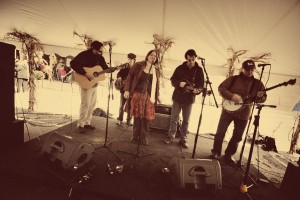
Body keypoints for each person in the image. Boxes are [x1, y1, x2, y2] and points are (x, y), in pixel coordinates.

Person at [210, 60, 267, 165]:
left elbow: (262, 99)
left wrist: (260, 97)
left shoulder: (258, 84)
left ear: (254, 69)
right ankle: (216, 152)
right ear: (242, 69)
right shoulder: (233, 79)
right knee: (220, 132)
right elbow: (221, 88)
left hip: (244, 113)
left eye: (251, 70)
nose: (249, 72)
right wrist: (231, 96)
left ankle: (229, 154)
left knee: (237, 136)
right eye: (247, 70)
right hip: (228, 111)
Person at [164, 49, 204, 148]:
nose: (191, 62)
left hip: (189, 99)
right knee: (174, 118)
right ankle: (171, 135)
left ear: (195, 58)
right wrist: (179, 83)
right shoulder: (180, 68)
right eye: (189, 60)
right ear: (186, 59)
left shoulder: (199, 70)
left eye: (193, 59)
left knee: (186, 120)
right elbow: (172, 80)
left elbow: (201, 85)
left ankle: (183, 139)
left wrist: (198, 90)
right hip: (177, 97)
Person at [70, 41, 109, 133]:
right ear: (93, 48)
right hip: (85, 83)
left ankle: (87, 122)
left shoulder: (100, 57)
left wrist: (112, 69)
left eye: (101, 51)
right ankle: (80, 124)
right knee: (85, 104)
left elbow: (105, 68)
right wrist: (85, 73)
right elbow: (73, 63)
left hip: (94, 84)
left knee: (92, 105)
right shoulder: (84, 55)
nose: (100, 53)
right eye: (99, 51)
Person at [124, 50, 160, 146]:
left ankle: (143, 137)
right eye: (151, 55)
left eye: (155, 56)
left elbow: (156, 85)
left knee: (145, 118)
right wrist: (127, 90)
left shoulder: (156, 69)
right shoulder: (138, 65)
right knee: (137, 117)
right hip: (137, 94)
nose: (153, 57)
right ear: (147, 55)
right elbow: (129, 77)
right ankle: (135, 136)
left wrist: (157, 96)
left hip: (149, 96)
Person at [116, 53, 136, 126]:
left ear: (134, 60)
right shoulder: (125, 67)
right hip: (124, 89)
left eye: (131, 59)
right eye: (128, 59)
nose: (129, 60)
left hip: (132, 90)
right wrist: (119, 77)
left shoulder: (136, 68)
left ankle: (129, 121)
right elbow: (119, 74)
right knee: (121, 105)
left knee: (130, 106)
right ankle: (120, 119)